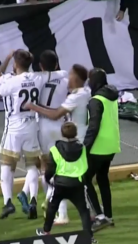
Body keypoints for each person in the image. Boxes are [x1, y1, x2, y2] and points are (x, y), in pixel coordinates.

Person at [0, 49, 68, 219]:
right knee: (32, 165)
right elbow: (62, 73)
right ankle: (32, 200)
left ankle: (8, 202)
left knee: (7, 165)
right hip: (32, 125)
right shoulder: (38, 78)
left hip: (14, 128)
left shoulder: (10, 82)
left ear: (15, 64)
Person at [24, 63, 90, 225]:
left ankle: (63, 214)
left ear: (75, 78)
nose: (68, 78)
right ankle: (91, 210)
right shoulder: (85, 92)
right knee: (79, 177)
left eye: (70, 75)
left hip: (77, 141)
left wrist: (34, 107)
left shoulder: (75, 97)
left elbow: (55, 115)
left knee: (61, 176)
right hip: (83, 139)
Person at [18, 50, 69, 224]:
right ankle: (56, 207)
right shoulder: (65, 77)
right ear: (57, 64)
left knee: (45, 168)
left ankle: (49, 200)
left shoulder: (36, 78)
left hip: (41, 126)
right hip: (60, 126)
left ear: (40, 66)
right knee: (61, 168)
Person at [37, 122, 96, 244]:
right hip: (77, 184)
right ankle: (89, 237)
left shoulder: (54, 150)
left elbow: (50, 168)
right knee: (84, 211)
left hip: (60, 184)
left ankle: (46, 231)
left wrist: (49, 180)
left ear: (62, 134)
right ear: (76, 133)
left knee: (52, 208)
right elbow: (87, 166)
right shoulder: (83, 149)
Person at [84, 68, 120, 232]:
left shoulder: (95, 100)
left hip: (98, 147)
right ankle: (109, 216)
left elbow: (93, 126)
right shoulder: (112, 96)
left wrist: (85, 147)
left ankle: (99, 217)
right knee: (103, 179)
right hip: (112, 145)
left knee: (85, 180)